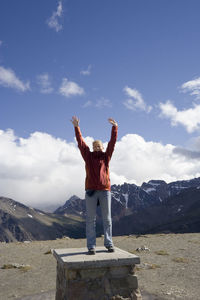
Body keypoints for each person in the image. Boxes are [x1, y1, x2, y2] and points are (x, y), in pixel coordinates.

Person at [71, 116, 118, 255]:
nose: (97, 148)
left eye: (99, 146)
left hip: (104, 191)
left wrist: (114, 127)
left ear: (103, 148)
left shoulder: (106, 157)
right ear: (92, 148)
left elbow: (112, 143)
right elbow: (80, 143)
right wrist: (76, 127)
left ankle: (109, 244)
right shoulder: (88, 156)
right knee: (90, 220)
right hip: (91, 191)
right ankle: (91, 246)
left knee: (107, 219)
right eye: (95, 146)